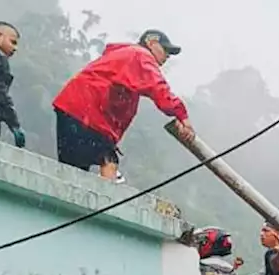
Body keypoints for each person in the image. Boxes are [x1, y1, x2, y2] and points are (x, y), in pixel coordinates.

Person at [52, 30, 193, 179]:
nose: (168, 56)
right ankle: (109, 198)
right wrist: (182, 116)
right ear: (151, 43)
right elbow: (158, 88)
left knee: (73, 171)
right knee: (108, 159)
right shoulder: (140, 55)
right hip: (86, 114)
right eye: (165, 50)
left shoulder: (127, 57)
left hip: (73, 109)